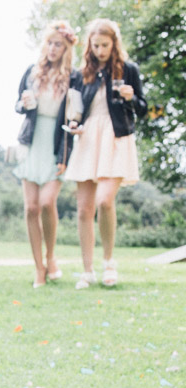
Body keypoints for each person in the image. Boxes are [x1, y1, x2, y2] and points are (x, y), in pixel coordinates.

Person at [63, 18, 147, 289]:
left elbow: (143, 108)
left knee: (105, 201)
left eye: (105, 45)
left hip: (116, 137)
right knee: (84, 209)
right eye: (95, 45)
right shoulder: (81, 72)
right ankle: (87, 270)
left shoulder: (129, 69)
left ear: (114, 44)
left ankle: (109, 262)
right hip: (88, 139)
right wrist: (74, 124)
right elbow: (75, 108)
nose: (100, 50)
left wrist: (129, 97)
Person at [14, 21, 75, 288]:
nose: (52, 48)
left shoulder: (73, 76)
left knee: (48, 202)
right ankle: (38, 268)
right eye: (49, 43)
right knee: (31, 208)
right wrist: (24, 104)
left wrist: (67, 151)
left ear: (66, 48)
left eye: (58, 44)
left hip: (57, 143)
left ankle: (51, 258)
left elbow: (75, 114)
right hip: (31, 140)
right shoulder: (31, 72)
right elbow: (18, 103)